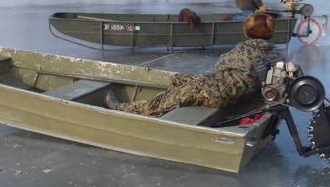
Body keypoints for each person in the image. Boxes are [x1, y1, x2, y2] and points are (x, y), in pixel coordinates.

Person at [105, 13, 282, 117]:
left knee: (172, 96)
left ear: (248, 31)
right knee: (178, 79)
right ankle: (168, 107)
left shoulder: (245, 49)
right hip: (225, 87)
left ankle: (122, 108)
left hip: (217, 92)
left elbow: (220, 65)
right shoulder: (273, 53)